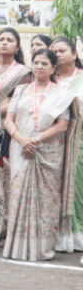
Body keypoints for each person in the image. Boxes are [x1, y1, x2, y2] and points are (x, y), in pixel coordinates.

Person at [2, 48, 81, 261]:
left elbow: (63, 125)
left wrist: (35, 140)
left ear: (53, 68)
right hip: (21, 150)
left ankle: (41, 249)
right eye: (36, 62)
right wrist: (21, 139)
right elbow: (8, 119)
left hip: (47, 154)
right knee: (18, 196)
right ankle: (16, 248)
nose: (39, 67)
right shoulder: (20, 90)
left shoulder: (61, 95)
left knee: (46, 200)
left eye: (44, 63)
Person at [0, 27, 32, 244]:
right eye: (1, 39)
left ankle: (2, 228)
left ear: (17, 46)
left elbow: (17, 104)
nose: (4, 43)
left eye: (10, 40)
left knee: (4, 177)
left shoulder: (23, 72)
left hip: (8, 130)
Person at [50, 37, 83, 252]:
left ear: (74, 54)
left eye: (62, 50)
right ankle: (53, 236)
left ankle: (75, 235)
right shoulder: (47, 78)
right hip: (49, 140)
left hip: (77, 139)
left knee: (76, 186)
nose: (58, 54)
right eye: (54, 51)